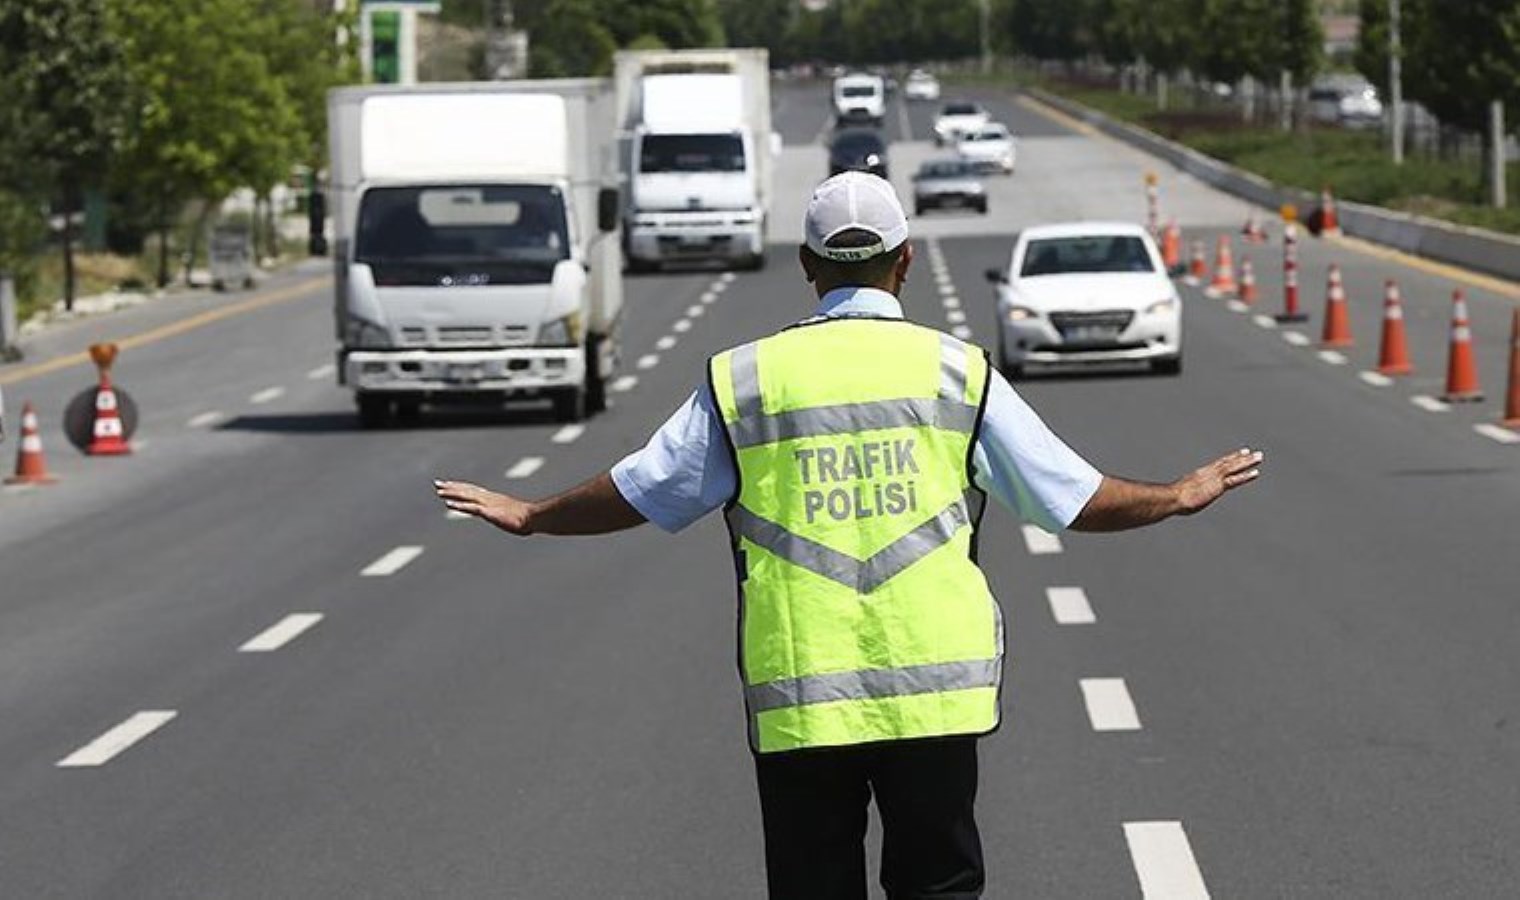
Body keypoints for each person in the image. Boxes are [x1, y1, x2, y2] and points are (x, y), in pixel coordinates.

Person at [435, 171, 1264, 899]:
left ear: (806, 267)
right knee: (938, 885)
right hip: (935, 695)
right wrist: (1177, 494)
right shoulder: (956, 371)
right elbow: (1071, 499)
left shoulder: (748, 379)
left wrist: (533, 515)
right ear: (904, 263)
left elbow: (644, 490)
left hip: (803, 693)